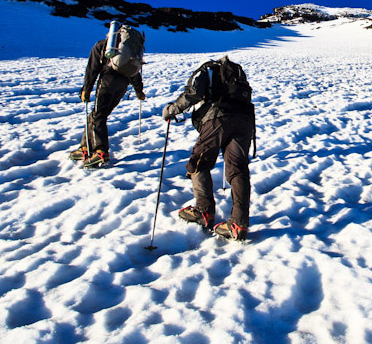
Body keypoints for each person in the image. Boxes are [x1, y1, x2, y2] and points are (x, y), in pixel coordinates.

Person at [162, 56, 255, 240]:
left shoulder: (206, 69)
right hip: (245, 120)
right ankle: (238, 224)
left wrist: (172, 110)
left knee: (199, 161)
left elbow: (193, 93)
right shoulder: (237, 72)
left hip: (217, 118)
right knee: (238, 169)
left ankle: (204, 211)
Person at [70, 33, 146, 168]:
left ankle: (100, 151)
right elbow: (134, 73)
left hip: (107, 81)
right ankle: (85, 147)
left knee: (99, 116)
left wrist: (86, 90)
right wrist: (139, 91)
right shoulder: (127, 52)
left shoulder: (103, 46)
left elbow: (92, 69)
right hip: (123, 84)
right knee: (97, 114)